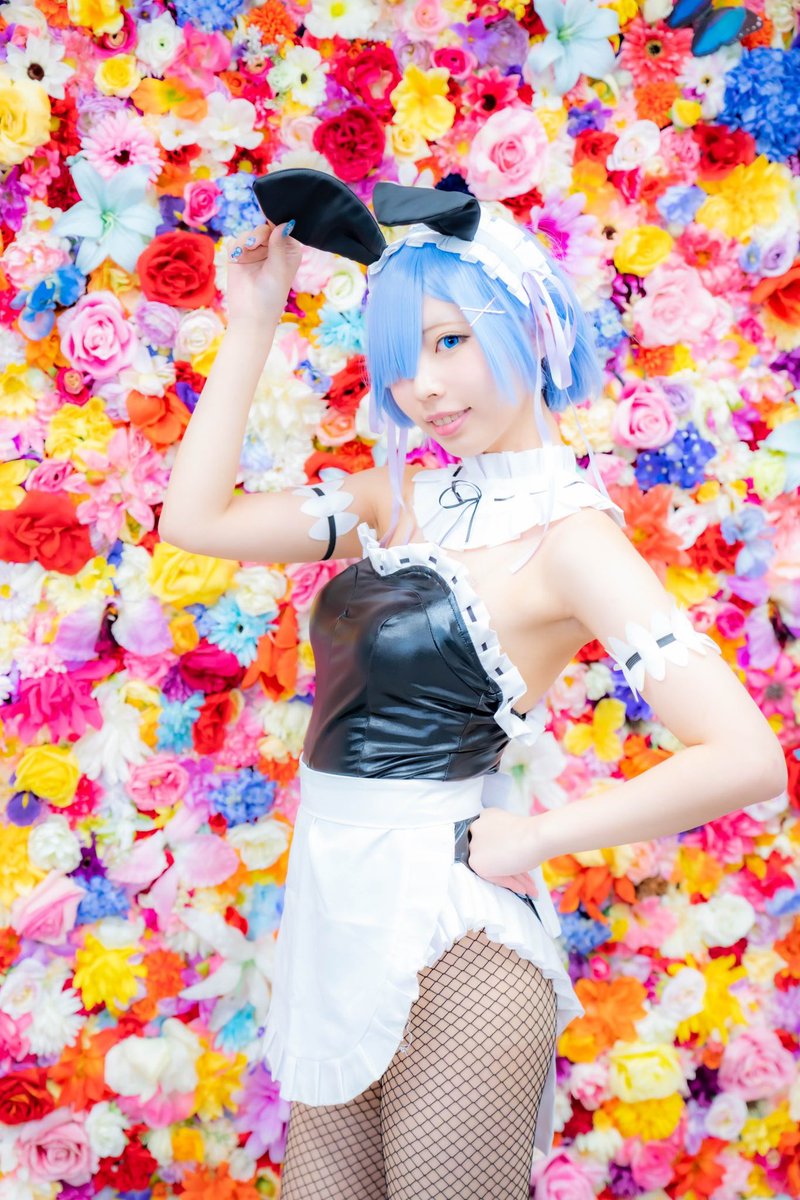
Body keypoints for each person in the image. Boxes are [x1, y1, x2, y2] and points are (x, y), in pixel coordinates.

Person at [158, 173, 787, 1200]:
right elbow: (196, 521)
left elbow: (747, 757)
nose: (423, 389)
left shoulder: (571, 539)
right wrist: (255, 317)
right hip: (335, 919)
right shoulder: (397, 498)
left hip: (456, 941)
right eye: (400, 361)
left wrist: (534, 837)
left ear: (528, 323)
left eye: (450, 342)